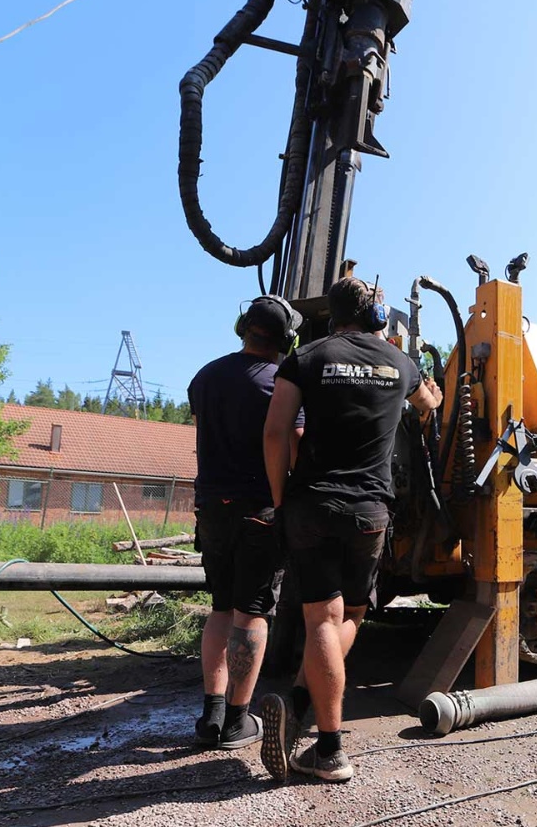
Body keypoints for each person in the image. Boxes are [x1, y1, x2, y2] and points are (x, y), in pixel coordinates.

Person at [258, 276, 442, 782]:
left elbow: (275, 432)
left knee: (321, 617)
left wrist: (280, 500)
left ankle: (303, 709)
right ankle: (327, 746)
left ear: (333, 314)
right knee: (353, 614)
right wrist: (431, 393)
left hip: (310, 507)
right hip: (370, 511)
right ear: (376, 314)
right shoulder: (401, 363)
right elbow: (430, 407)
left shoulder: (307, 358)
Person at [187, 295, 304, 749]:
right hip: (261, 509)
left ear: (243, 327)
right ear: (288, 339)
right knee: (252, 612)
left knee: (220, 607)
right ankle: (238, 720)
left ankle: (210, 716)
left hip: (212, 507)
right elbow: (295, 443)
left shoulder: (205, 376)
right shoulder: (283, 383)